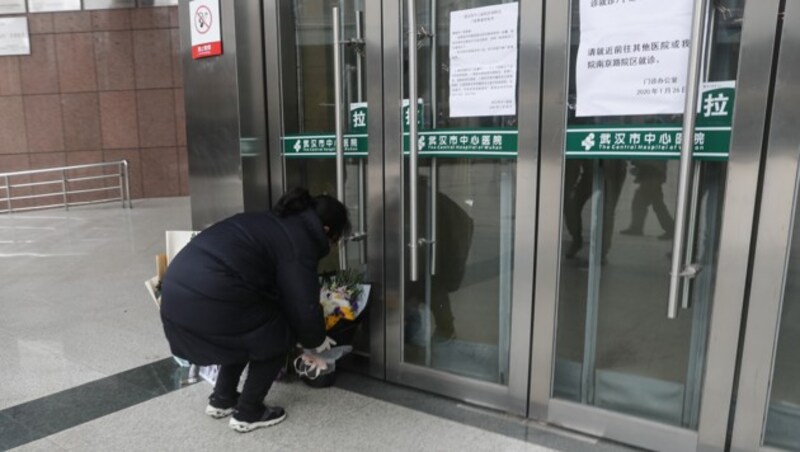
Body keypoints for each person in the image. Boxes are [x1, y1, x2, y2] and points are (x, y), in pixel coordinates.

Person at [159, 188, 350, 433]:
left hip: (177, 292)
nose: (332, 246)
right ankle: (249, 412)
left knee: (245, 333)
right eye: (335, 240)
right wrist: (316, 337)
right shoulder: (299, 241)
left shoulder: (274, 222)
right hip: (210, 296)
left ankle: (222, 399)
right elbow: (303, 303)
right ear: (326, 230)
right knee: (277, 337)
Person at [620, 160, 674, 239]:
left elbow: (650, 161)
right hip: (652, 173)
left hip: (652, 174)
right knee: (647, 202)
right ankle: (636, 227)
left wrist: (637, 165)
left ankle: (671, 229)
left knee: (654, 204)